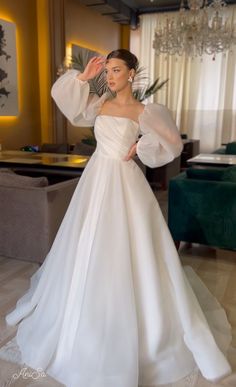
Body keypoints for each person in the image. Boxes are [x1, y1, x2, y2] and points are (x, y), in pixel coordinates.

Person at [6, 49, 232, 387]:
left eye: (116, 70)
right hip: (96, 179)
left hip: (126, 182)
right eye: (106, 70)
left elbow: (171, 144)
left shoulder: (145, 111)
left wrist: (140, 148)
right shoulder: (98, 104)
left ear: (131, 73)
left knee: (131, 246)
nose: (109, 76)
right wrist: (82, 78)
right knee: (87, 243)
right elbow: (65, 102)